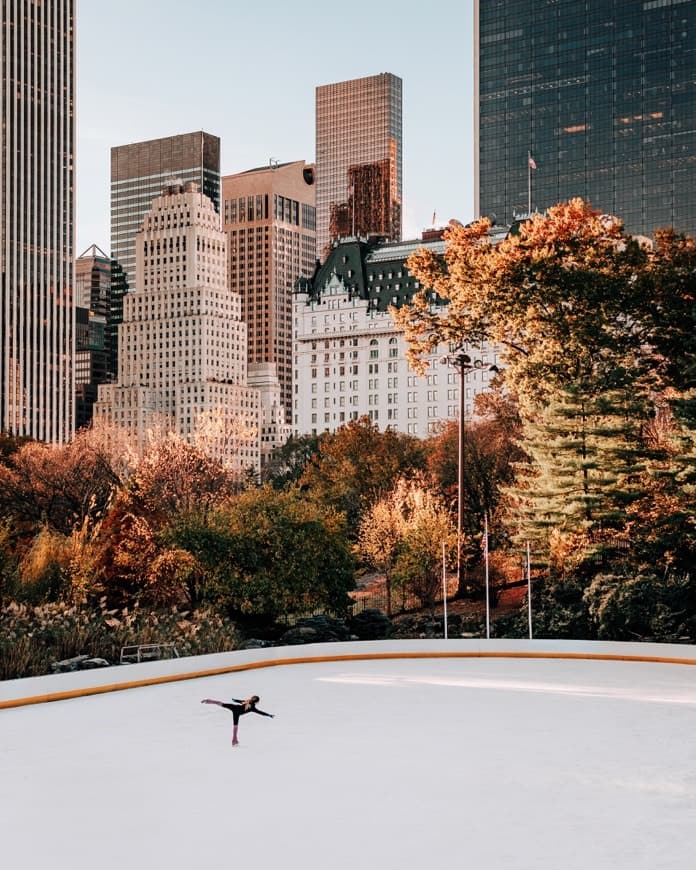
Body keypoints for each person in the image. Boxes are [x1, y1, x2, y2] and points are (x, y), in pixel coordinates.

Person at [201, 695, 274, 746]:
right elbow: (259, 712)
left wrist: (235, 700)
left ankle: (208, 701)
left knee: (221, 704)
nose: (252, 698)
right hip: (236, 711)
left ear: (254, 700)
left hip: (235, 709)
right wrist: (268, 715)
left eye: (253, 698)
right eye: (253, 697)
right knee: (235, 726)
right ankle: (234, 740)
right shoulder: (250, 704)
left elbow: (241, 702)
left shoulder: (250, 704)